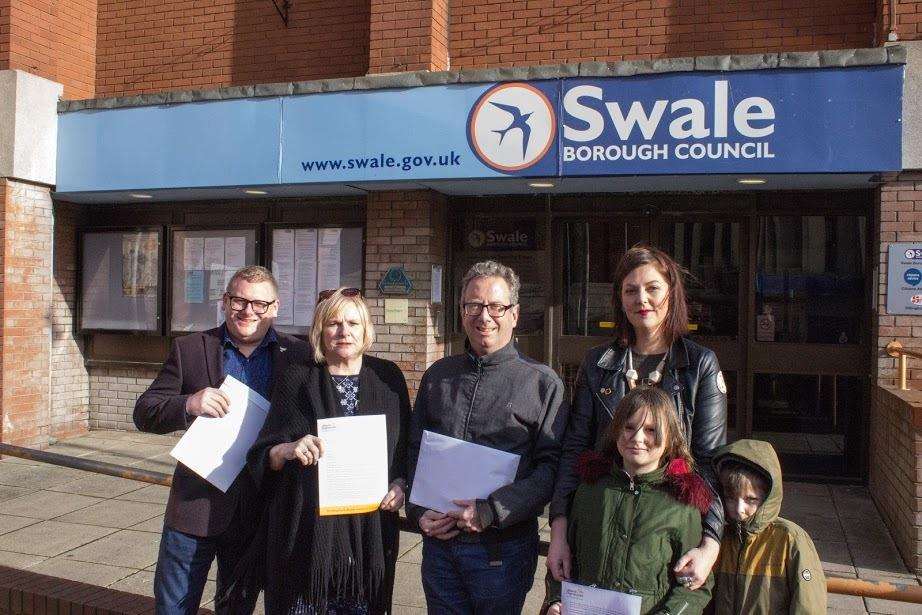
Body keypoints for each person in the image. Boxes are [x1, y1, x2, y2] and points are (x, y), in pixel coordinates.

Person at [547, 244, 728, 592]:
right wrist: (558, 531)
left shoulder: (700, 365)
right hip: (601, 522)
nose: (641, 299)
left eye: (652, 288)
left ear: (671, 293)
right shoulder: (598, 363)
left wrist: (709, 543)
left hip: (667, 527)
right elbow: (574, 450)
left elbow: (709, 461)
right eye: (630, 290)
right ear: (620, 299)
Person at [134, 265, 305, 615]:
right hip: (194, 508)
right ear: (225, 301)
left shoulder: (297, 356)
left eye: (259, 304)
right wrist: (188, 403)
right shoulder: (190, 349)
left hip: (258, 510)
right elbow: (145, 411)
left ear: (274, 307)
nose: (248, 311)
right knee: (174, 609)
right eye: (239, 301)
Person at [406, 260, 569, 615]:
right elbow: (415, 450)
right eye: (474, 305)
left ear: (515, 314)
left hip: (502, 552)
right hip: (440, 548)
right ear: (462, 311)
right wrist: (417, 511)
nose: (484, 316)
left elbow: (549, 469)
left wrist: (492, 510)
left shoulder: (542, 383)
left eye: (496, 306)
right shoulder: (439, 375)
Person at [241, 287, 410, 614]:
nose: (344, 331)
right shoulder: (297, 378)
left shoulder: (388, 378)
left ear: (366, 329)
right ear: (320, 330)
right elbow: (263, 455)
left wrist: (401, 485)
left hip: (367, 540)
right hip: (307, 538)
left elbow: (404, 452)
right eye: (333, 323)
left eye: (353, 323)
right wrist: (289, 448)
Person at [544, 386, 714, 615]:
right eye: (629, 427)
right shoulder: (590, 490)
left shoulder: (681, 505)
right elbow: (563, 562)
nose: (637, 438)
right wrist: (557, 600)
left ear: (670, 437)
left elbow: (694, 586)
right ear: (616, 430)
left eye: (651, 430)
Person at [711, 439, 827, 614]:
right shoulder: (717, 537)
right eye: (730, 497)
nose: (739, 509)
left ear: (767, 497)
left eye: (750, 499)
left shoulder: (791, 540)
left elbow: (808, 605)